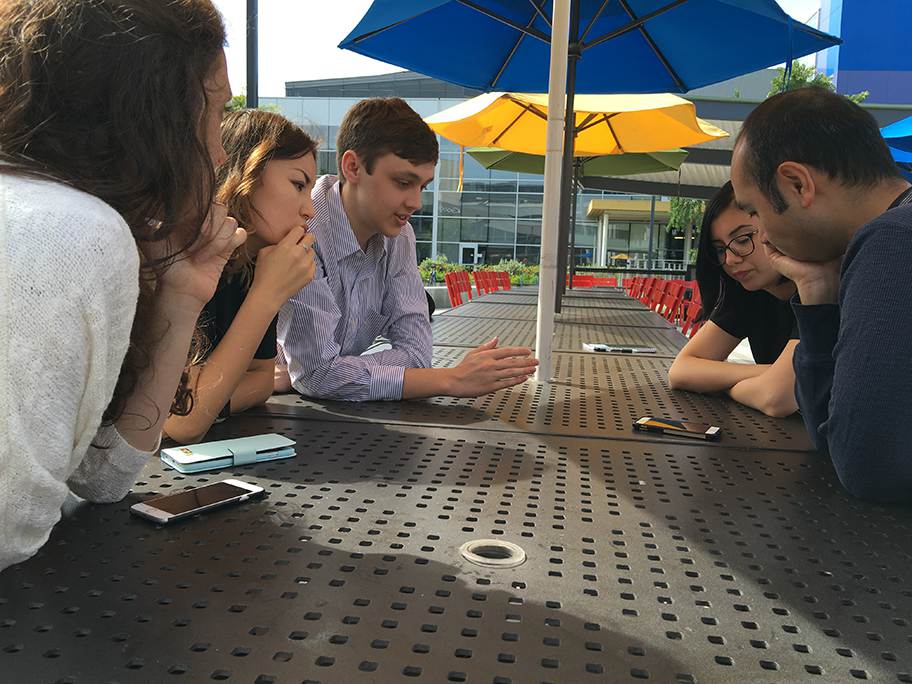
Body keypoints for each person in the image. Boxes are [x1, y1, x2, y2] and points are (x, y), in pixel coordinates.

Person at [0, 0, 244, 572]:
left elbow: (103, 476)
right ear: (153, 112)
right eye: (213, 113)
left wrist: (183, 293)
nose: (219, 151)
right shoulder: (71, 228)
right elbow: (10, 526)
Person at [277, 98, 538, 401]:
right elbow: (319, 376)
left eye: (423, 186)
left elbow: (416, 355)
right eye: (403, 182)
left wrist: (337, 371)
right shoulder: (305, 230)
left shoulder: (399, 236)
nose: (416, 202)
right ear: (353, 167)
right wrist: (446, 380)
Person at [730, 86, 912, 502]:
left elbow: (866, 465)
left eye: (755, 211)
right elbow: (832, 437)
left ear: (797, 184)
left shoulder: (893, 241)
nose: (760, 235)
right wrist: (816, 290)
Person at [165, 110, 318, 444]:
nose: (310, 209)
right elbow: (184, 420)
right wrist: (267, 294)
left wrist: (210, 399)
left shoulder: (250, 264)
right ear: (245, 173)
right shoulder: (182, 257)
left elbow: (262, 380)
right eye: (298, 185)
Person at [668, 182, 798, 417]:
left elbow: (777, 397)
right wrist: (771, 374)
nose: (730, 259)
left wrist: (721, 384)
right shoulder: (749, 292)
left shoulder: (820, 292)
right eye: (720, 249)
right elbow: (680, 371)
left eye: (742, 239)